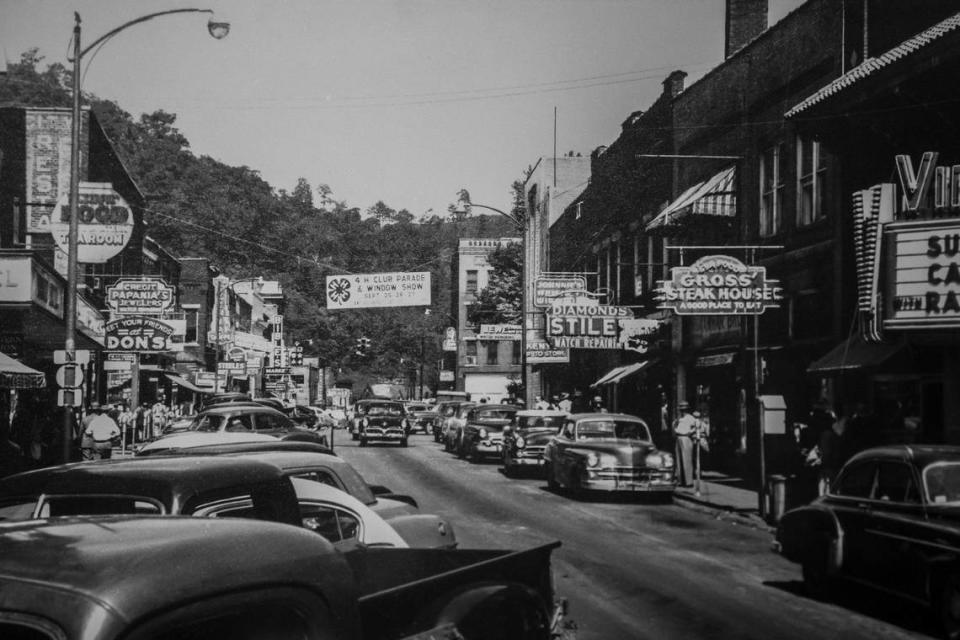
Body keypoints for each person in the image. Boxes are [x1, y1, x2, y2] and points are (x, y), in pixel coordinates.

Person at [673, 401, 704, 487]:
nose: (682, 411)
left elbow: (698, 425)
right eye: (681, 409)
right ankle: (681, 481)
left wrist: (690, 432)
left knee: (686, 459)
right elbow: (675, 426)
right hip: (678, 437)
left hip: (686, 438)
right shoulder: (679, 419)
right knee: (679, 460)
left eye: (684, 409)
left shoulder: (690, 418)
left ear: (687, 409)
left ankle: (688, 482)